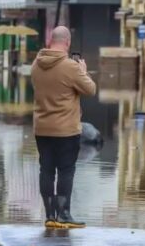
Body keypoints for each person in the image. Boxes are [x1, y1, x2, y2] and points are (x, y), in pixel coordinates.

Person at [31, 26, 96, 229]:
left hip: (42, 128)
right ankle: (64, 214)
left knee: (46, 170)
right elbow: (90, 90)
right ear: (67, 42)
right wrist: (82, 71)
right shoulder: (71, 66)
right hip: (66, 130)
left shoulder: (36, 64)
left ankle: (50, 216)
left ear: (52, 40)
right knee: (66, 170)